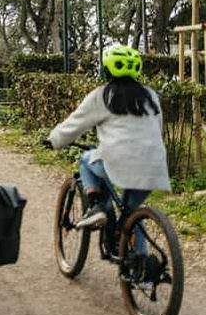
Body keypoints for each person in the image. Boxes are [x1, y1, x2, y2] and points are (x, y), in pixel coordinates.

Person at [45, 45, 171, 230]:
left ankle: (96, 207)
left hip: (119, 162)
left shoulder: (102, 95)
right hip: (155, 164)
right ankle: (141, 257)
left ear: (106, 70)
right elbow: (157, 128)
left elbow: (73, 125)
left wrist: (54, 140)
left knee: (86, 161)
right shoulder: (150, 95)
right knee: (131, 216)